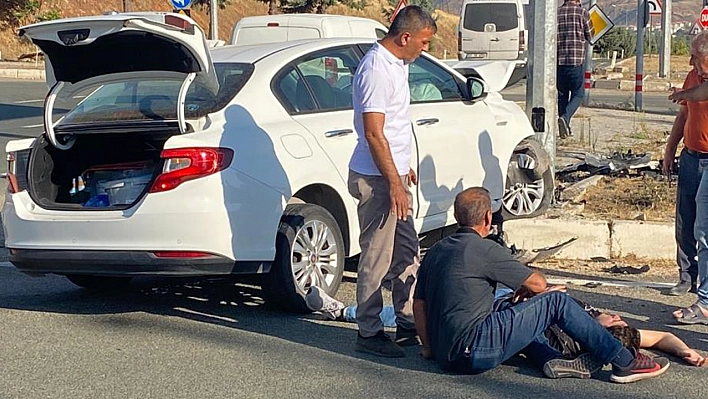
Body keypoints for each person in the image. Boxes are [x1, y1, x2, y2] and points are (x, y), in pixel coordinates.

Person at [413, 187, 670, 383]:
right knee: (554, 301)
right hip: (475, 350)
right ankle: (624, 361)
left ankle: (550, 358)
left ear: (457, 216)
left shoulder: (436, 251)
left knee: (514, 306)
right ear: (487, 218)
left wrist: (428, 348)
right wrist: (535, 290)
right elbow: (538, 283)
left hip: (446, 354)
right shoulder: (484, 249)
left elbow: (419, 304)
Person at [347, 5, 437, 358]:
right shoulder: (375, 70)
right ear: (405, 37)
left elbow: (396, 126)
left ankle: (406, 317)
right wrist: (395, 183)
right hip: (377, 178)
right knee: (378, 254)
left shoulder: (397, 64)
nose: (425, 48)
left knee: (407, 251)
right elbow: (373, 133)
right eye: (424, 42)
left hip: (393, 174)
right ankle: (368, 331)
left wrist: (404, 169)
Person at [665, 32, 708, 323]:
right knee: (687, 221)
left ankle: (704, 299)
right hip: (692, 156)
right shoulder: (693, 76)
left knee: (704, 228)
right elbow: (683, 116)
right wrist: (670, 149)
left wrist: (684, 94)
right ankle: (687, 276)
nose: (691, 61)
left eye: (696, 55)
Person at [557, 0, 592, 139]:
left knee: (562, 95)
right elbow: (590, 35)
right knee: (578, 94)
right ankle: (565, 118)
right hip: (576, 61)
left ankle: (564, 129)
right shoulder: (582, 13)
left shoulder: (556, 14)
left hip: (559, 62)